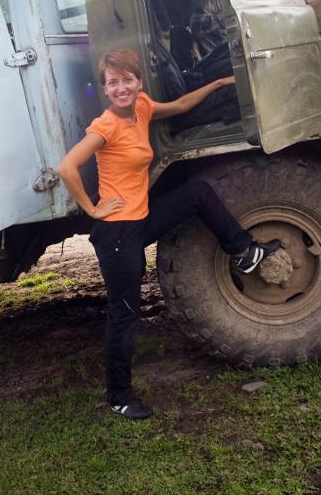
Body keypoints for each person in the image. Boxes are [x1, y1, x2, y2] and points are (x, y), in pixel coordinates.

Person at [57, 48, 280, 420]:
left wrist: (217, 83)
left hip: (140, 219)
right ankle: (119, 395)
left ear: (138, 82)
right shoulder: (105, 126)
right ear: (106, 90)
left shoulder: (142, 107)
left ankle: (244, 252)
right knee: (125, 312)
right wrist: (93, 209)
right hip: (115, 233)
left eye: (127, 79)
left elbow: (179, 105)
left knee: (198, 194)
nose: (121, 88)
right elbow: (67, 167)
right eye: (113, 83)